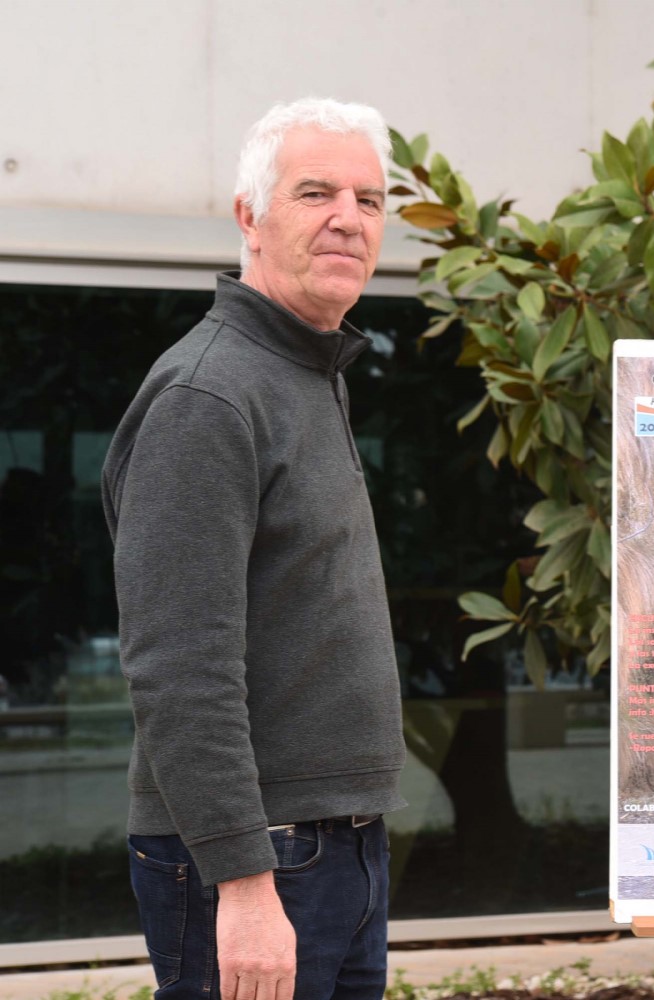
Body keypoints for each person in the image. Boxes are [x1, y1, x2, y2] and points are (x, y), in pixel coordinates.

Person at [102, 98, 406, 1000]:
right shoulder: (211, 396)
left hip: (339, 846)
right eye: (316, 192)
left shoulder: (306, 373)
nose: (349, 217)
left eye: (369, 198)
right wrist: (242, 883)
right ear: (250, 215)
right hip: (260, 858)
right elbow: (178, 666)